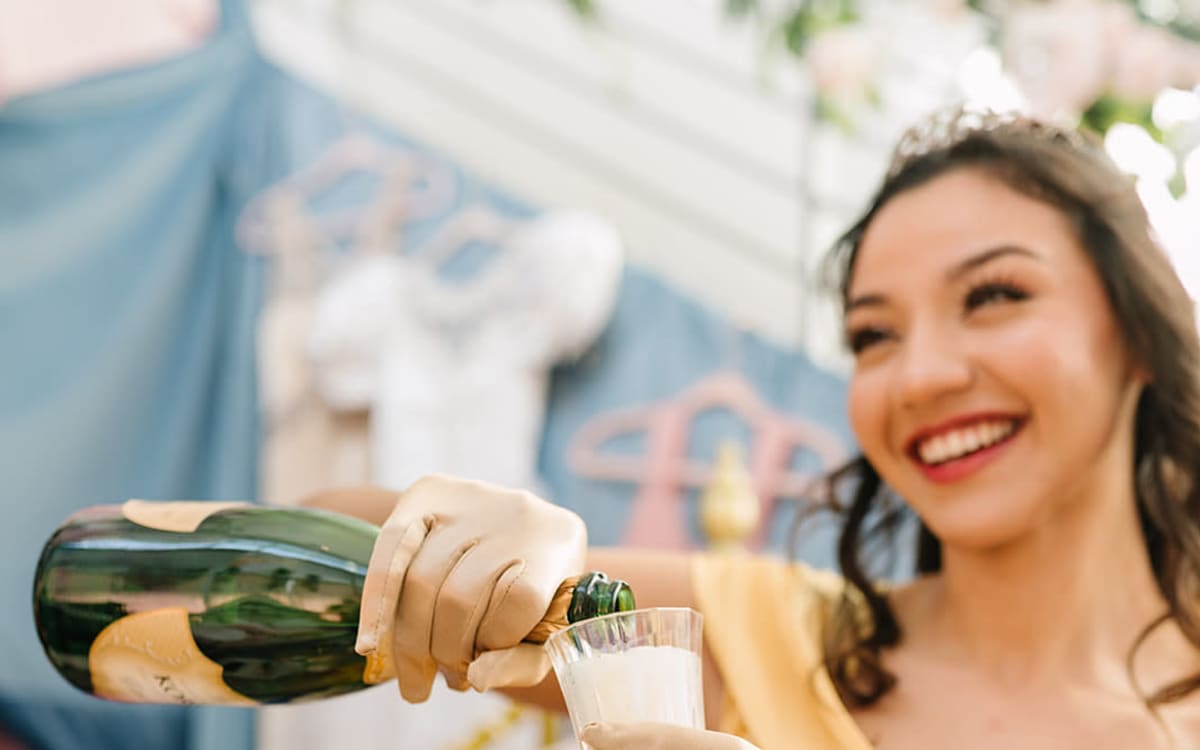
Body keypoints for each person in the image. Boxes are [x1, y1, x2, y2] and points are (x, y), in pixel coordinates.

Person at [307, 108, 1200, 749]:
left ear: (1140, 333)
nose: (920, 375)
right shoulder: (771, 641)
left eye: (995, 295)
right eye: (873, 336)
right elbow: (319, 555)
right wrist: (506, 539)